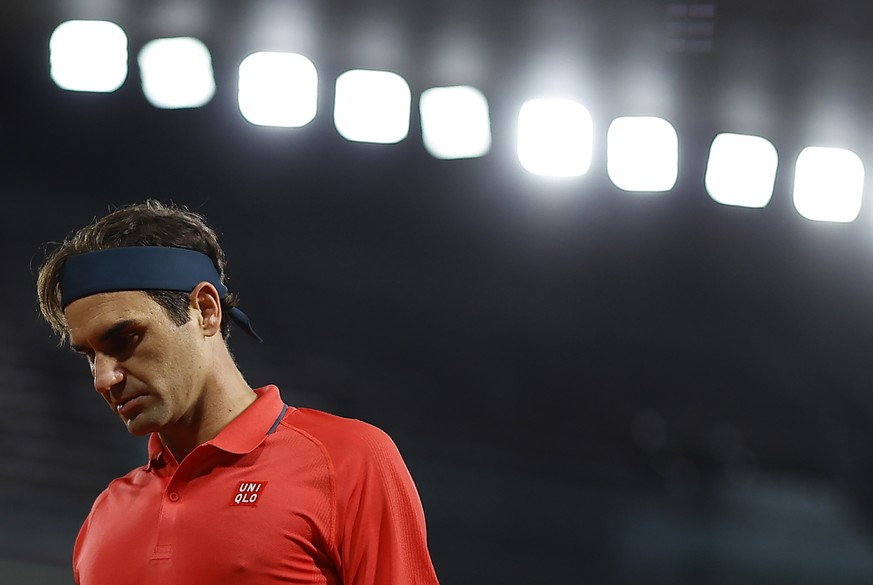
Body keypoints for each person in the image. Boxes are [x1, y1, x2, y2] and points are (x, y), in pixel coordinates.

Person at [36, 200, 440, 585]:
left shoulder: (348, 460)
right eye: (90, 355)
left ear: (206, 310)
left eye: (124, 339)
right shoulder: (105, 515)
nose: (103, 379)